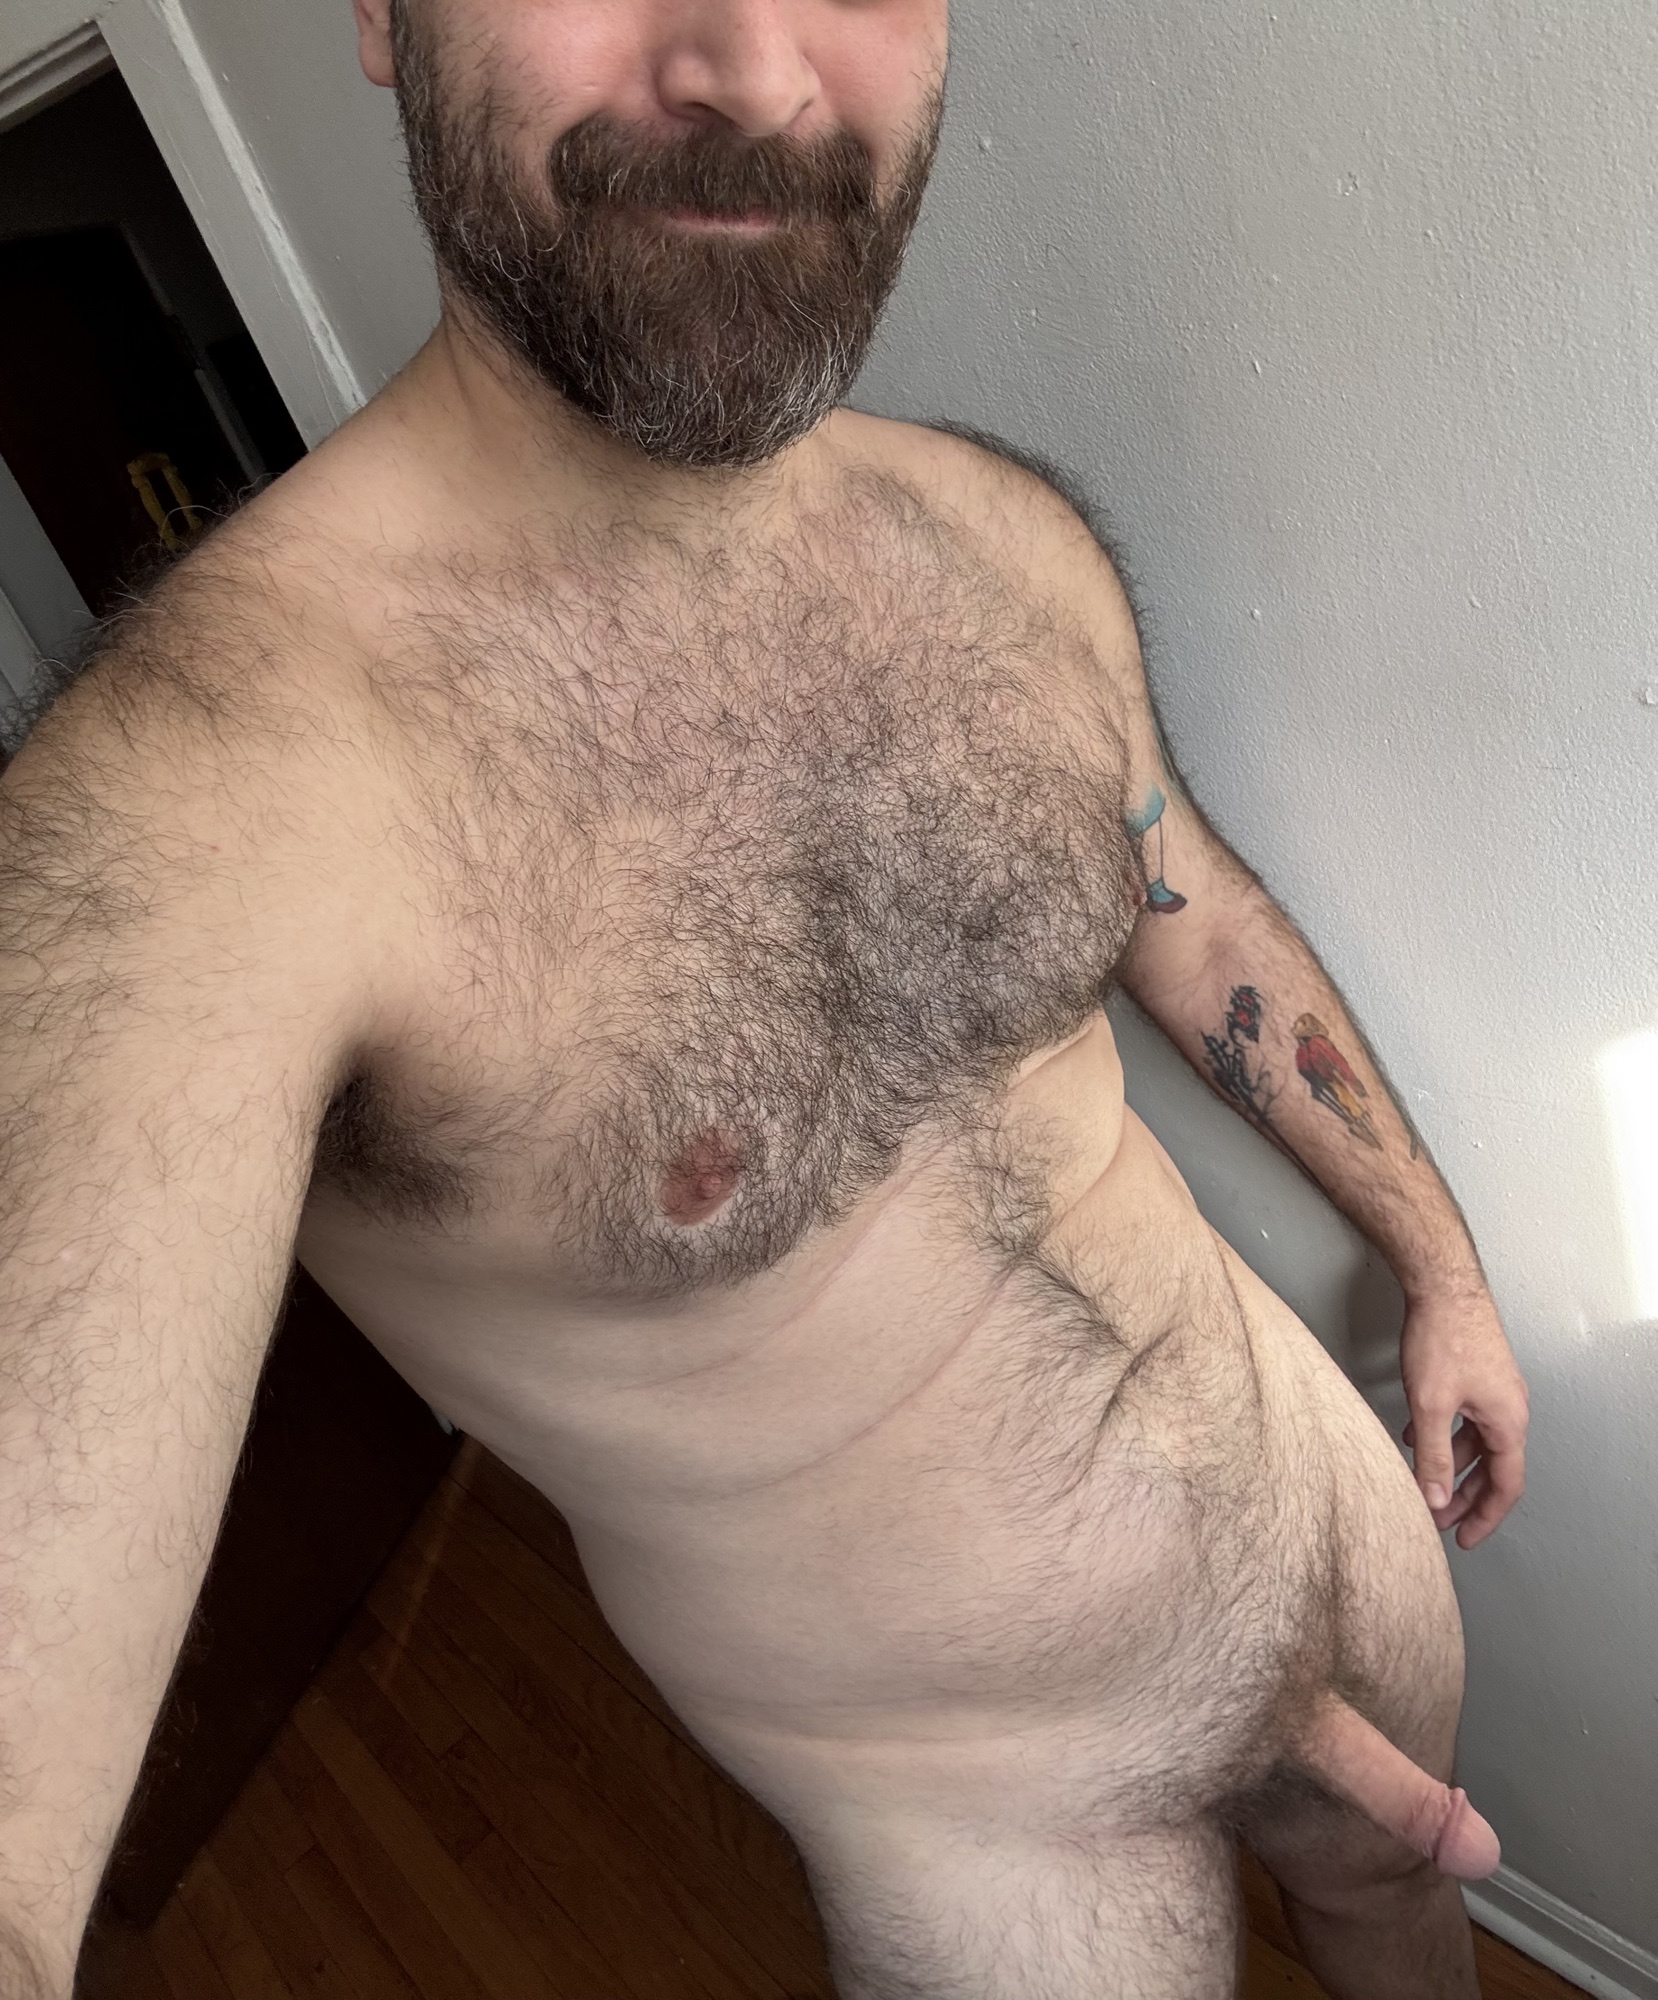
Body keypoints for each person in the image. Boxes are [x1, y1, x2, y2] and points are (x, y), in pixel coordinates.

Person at [0, 1, 1531, 1993]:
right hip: (991, 1820)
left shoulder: (1001, 537)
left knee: (1407, 1909)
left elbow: (1193, 913)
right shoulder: (196, 810)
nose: (754, 65)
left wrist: (1439, 1264)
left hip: (1333, 1519)